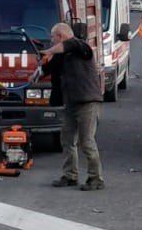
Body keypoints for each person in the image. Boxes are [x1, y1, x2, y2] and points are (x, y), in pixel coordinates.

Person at [41, 23, 105, 191]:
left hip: (87, 102)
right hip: (70, 103)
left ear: (61, 36)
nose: (51, 41)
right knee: (68, 140)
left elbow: (70, 44)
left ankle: (96, 178)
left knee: (87, 141)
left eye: (53, 37)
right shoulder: (62, 56)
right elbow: (48, 70)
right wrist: (40, 68)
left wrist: (50, 51)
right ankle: (70, 176)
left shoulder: (81, 47)